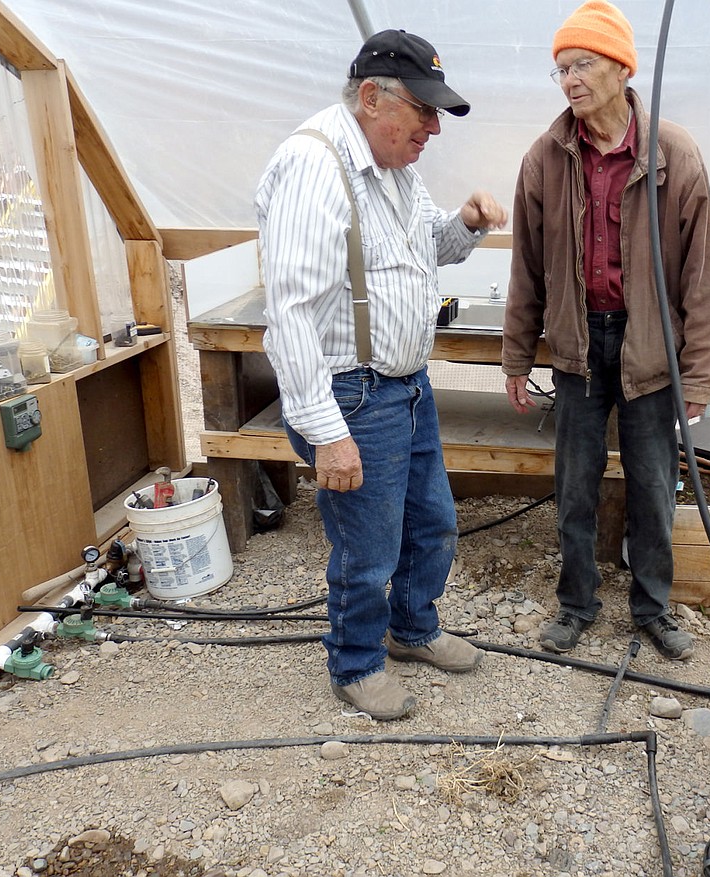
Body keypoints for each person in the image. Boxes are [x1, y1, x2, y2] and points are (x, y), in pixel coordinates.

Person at [256, 29, 508, 720]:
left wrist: (465, 223)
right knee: (367, 548)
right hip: (354, 393)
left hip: (406, 387)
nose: (433, 128)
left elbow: (426, 245)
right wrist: (327, 433)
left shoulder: (393, 168)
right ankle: (356, 662)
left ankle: (412, 628)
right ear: (372, 97)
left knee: (432, 523)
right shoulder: (315, 166)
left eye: (436, 113)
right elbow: (290, 316)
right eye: (423, 110)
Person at [502, 0, 710, 661]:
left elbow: (702, 276)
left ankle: (652, 608)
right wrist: (517, 357)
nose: (569, 79)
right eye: (561, 68)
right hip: (577, 346)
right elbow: (527, 268)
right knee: (575, 484)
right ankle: (576, 604)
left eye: (582, 64)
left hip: (650, 347)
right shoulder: (545, 159)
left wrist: (701, 374)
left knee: (653, 486)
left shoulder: (672, 154)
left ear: (622, 68)